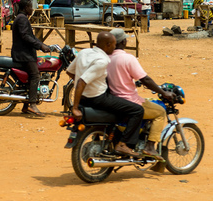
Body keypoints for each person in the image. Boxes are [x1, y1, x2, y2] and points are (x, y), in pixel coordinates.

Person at [67, 31, 144, 158]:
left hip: (84, 98)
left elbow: (70, 72)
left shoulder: (84, 52)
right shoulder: (102, 60)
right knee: (137, 110)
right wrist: (74, 108)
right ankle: (124, 144)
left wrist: (88, 86)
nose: (115, 48)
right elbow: (81, 81)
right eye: (114, 45)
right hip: (98, 98)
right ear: (107, 45)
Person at [107, 28, 175, 160]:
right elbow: (145, 79)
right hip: (129, 100)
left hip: (113, 101)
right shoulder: (127, 58)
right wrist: (163, 92)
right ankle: (150, 147)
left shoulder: (107, 58)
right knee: (160, 112)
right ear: (123, 42)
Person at [11, 0, 50, 117]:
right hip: (23, 54)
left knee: (30, 77)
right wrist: (40, 45)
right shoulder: (22, 18)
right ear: (25, 7)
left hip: (24, 53)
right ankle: (32, 104)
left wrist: (42, 44)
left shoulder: (21, 18)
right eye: (30, 7)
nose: (32, 9)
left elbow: (30, 36)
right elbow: (25, 36)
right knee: (35, 75)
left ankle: (25, 106)